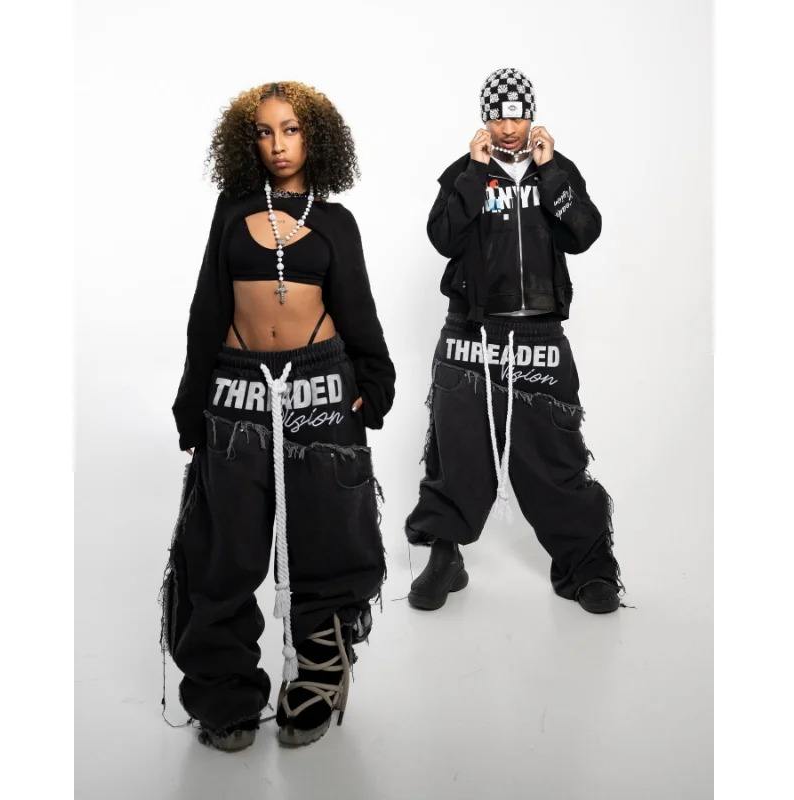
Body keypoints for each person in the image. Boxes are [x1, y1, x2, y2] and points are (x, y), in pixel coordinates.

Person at [158, 81, 395, 752]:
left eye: (290, 130)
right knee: (223, 551)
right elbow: (208, 307)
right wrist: (192, 397)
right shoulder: (232, 211)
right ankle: (226, 695)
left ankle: (316, 685)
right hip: (237, 393)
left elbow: (358, 307)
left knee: (329, 544)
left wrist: (373, 382)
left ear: (314, 138)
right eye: (264, 132)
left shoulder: (336, 221)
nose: (278, 144)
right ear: (248, 142)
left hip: (321, 391)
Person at [405, 67, 625, 616]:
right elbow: (443, 238)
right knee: (457, 449)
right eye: (498, 116)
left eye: (517, 116)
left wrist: (550, 173)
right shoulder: (464, 173)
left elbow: (584, 233)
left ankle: (587, 566)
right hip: (471, 333)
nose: (508, 127)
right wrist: (475, 173)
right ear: (485, 118)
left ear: (531, 115)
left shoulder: (557, 169)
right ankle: (445, 557)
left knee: (554, 454)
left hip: (539, 333)